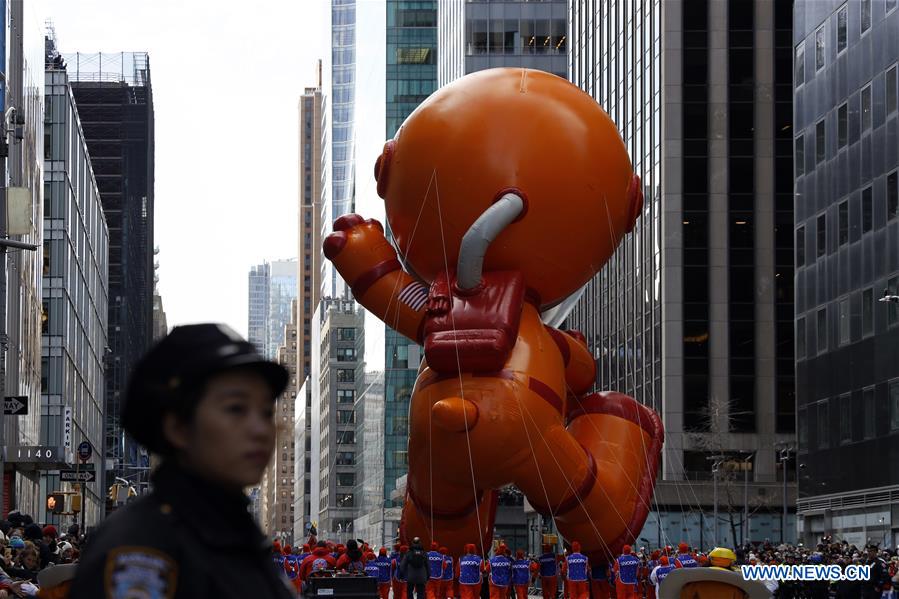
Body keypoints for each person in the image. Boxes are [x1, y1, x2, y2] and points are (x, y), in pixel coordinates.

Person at [68, 324, 295, 599]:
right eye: (236, 408)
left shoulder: (237, 535)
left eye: (266, 411)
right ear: (178, 428)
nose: (261, 429)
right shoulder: (142, 549)